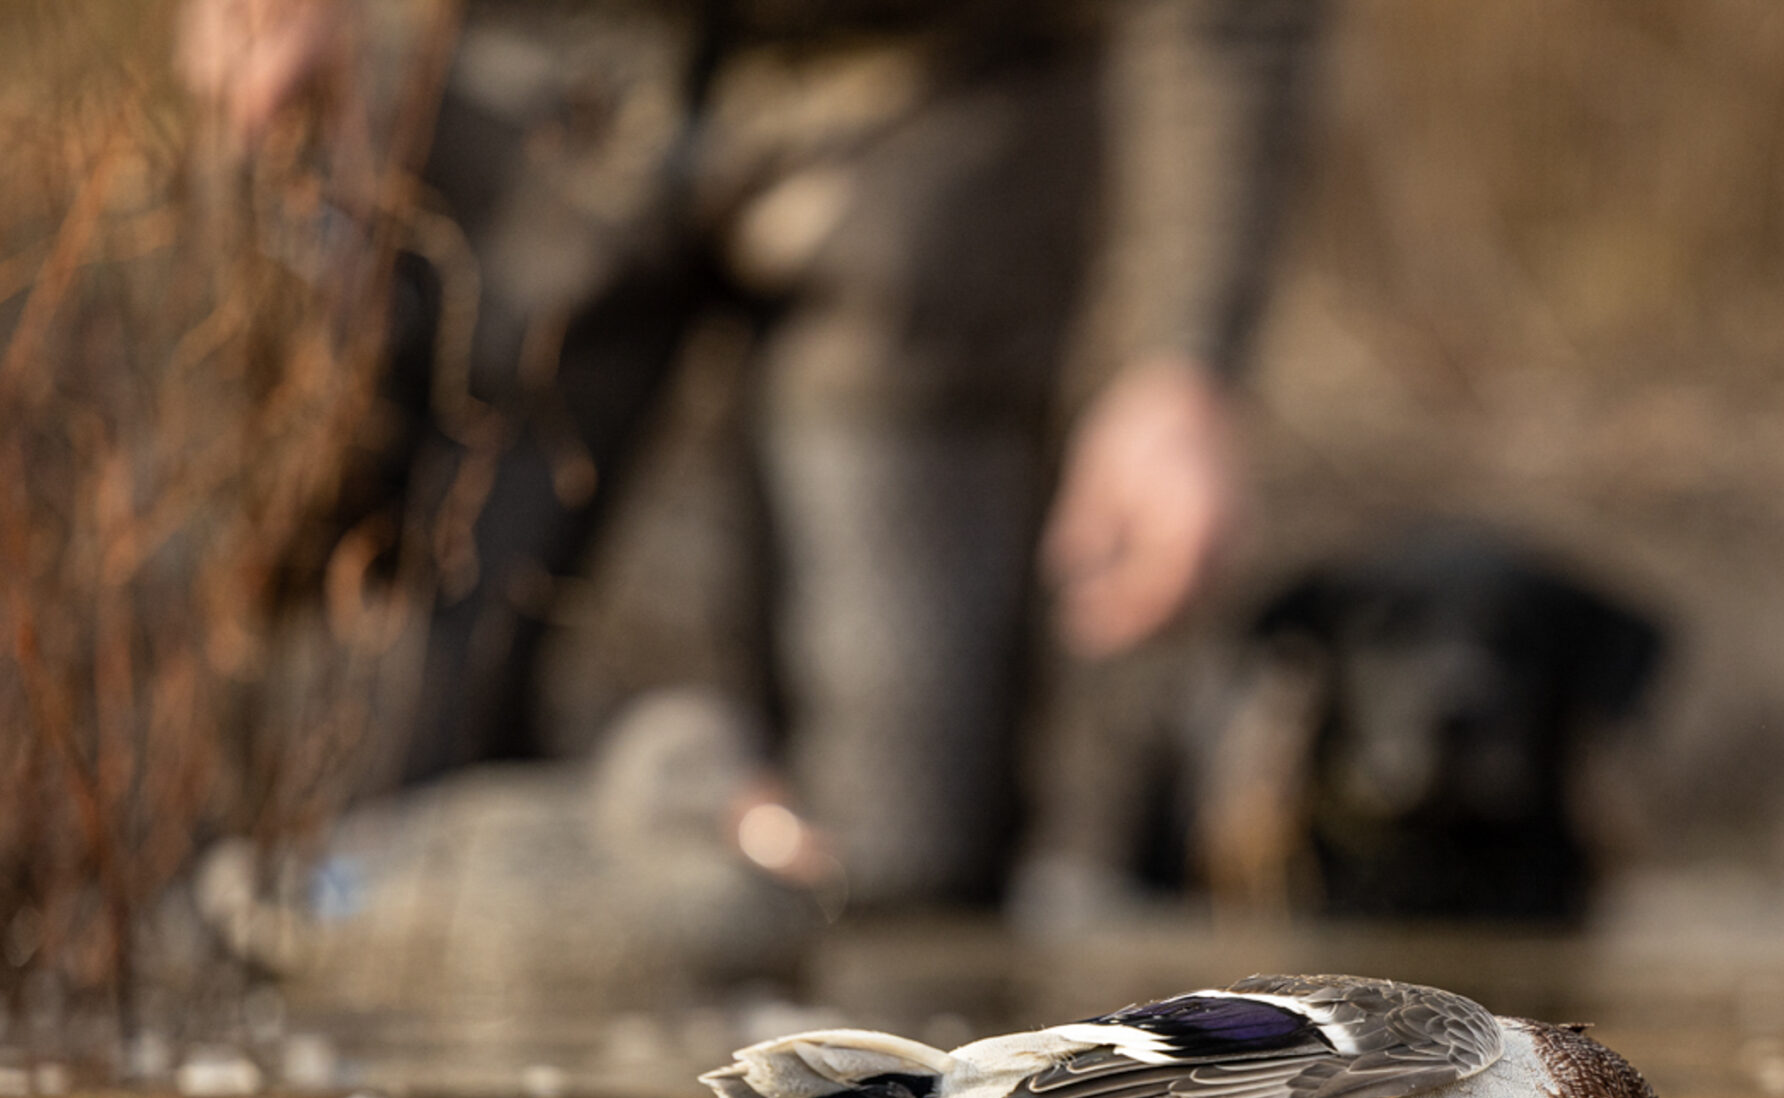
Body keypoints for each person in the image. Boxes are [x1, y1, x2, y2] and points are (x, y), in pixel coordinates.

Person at [178, 0, 1319, 907]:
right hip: (541, 74)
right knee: (364, 759)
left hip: (936, 104)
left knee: (904, 858)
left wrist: (1182, 366)